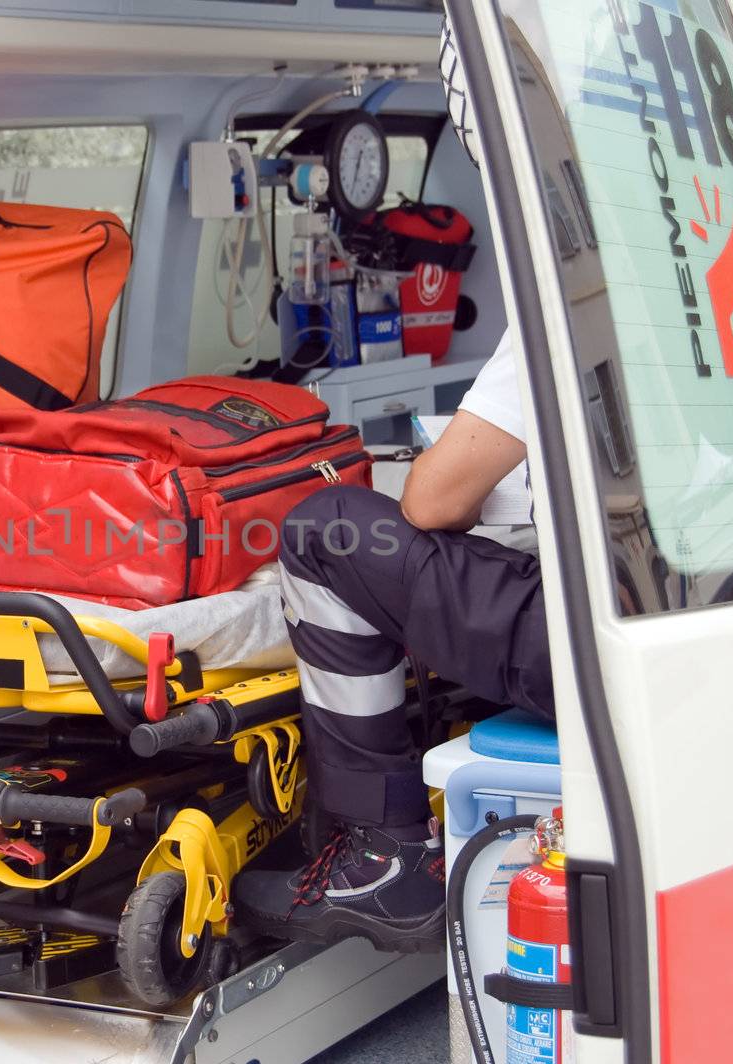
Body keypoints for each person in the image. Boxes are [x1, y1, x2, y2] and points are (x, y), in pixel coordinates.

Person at [230, 23, 553, 952]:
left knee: (330, 527)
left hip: (578, 639)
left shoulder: (567, 301)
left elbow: (433, 504)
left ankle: (387, 852)